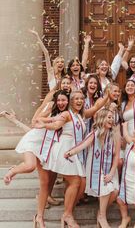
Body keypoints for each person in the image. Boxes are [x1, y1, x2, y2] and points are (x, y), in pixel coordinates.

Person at [3, 90, 70, 228]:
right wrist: (51, 118)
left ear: (68, 101)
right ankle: (12, 171)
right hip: (33, 141)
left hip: (46, 148)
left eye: (64, 100)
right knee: (29, 166)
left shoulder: (66, 115)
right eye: (59, 100)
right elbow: (36, 120)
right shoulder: (51, 108)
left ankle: (39, 217)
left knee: (45, 183)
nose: (61, 103)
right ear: (55, 101)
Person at [64, 109, 121, 228]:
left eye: (112, 117)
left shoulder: (114, 135)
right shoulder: (94, 134)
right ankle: (102, 217)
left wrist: (111, 173)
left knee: (114, 192)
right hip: (95, 168)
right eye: (108, 117)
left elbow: (116, 156)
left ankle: (100, 213)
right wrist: (70, 153)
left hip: (109, 168)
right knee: (105, 188)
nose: (111, 120)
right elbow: (82, 145)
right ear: (102, 119)